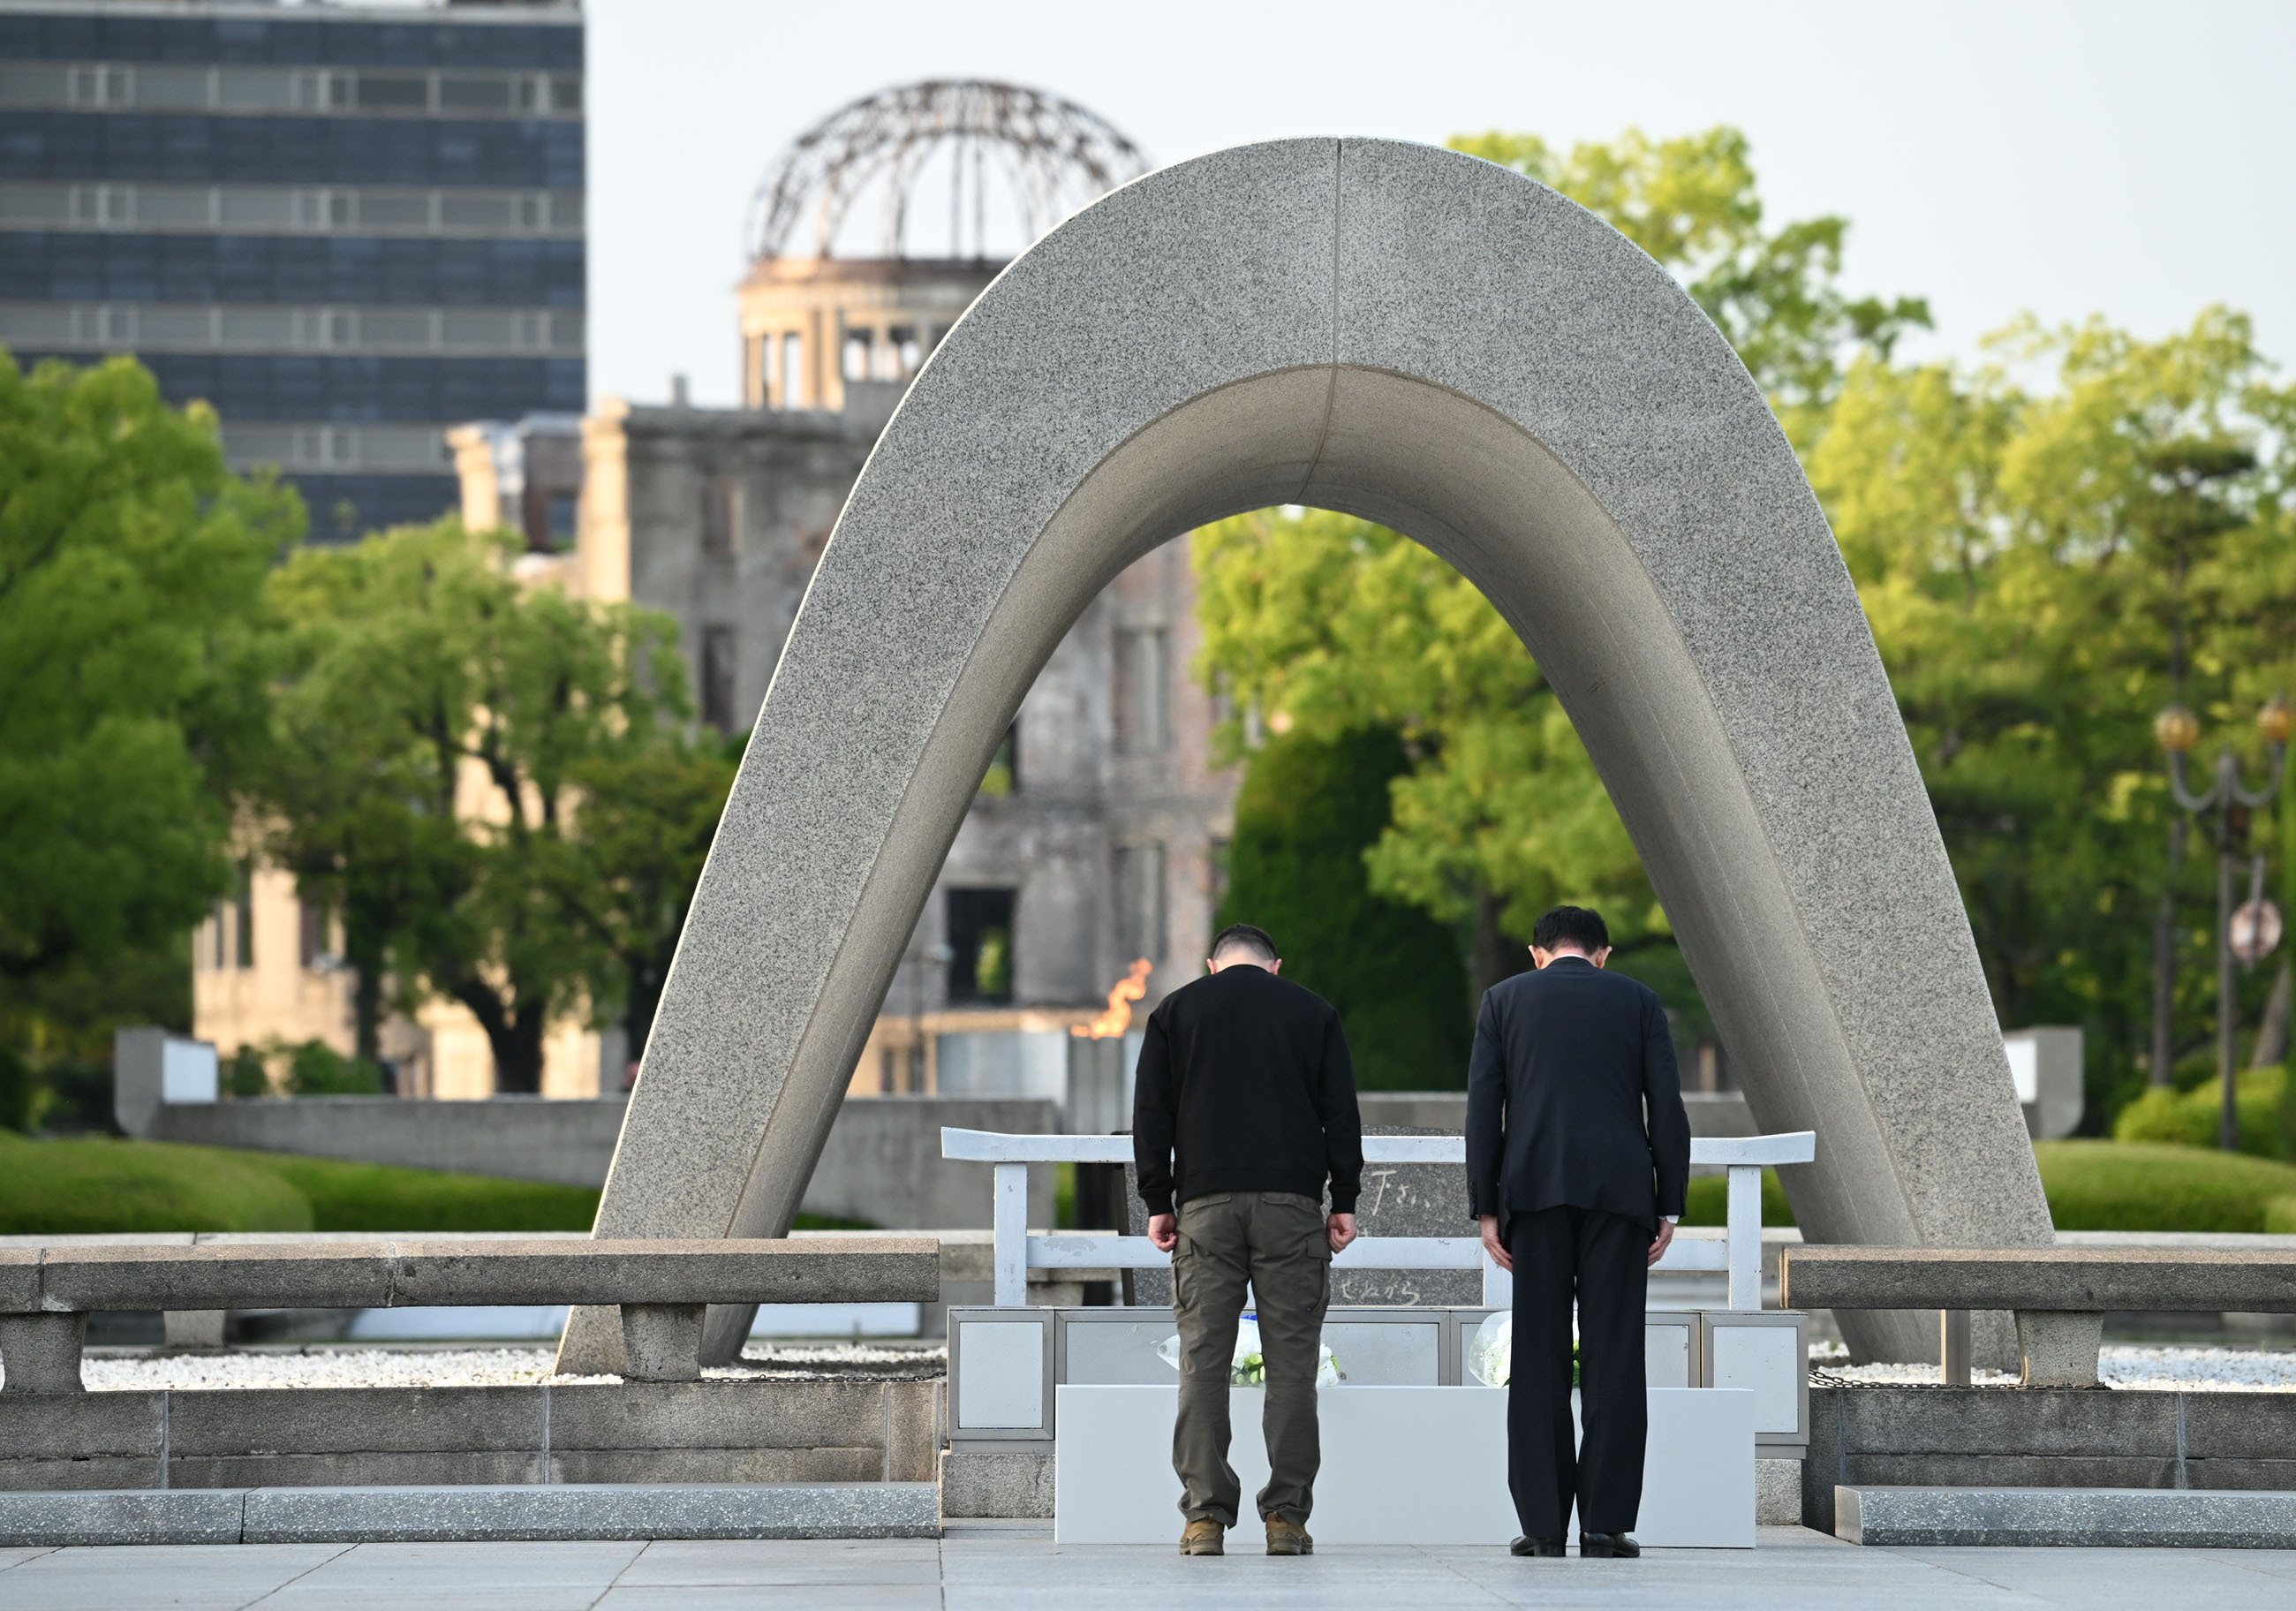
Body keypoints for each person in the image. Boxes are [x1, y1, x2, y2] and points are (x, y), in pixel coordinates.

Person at [1465, 904, 1691, 1560]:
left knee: (1537, 1358)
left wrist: (1487, 1207)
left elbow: (1485, 1110)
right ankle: (1606, 1523)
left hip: (1533, 1197)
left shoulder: (1503, 1001)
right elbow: (1666, 1108)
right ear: (1604, 952)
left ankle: (1541, 1525)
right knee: (1614, 1356)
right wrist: (1668, 1204)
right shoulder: (1639, 1001)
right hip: (1620, 1197)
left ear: (1538, 953)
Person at [1134, 922, 1363, 1559]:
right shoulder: (1312, 1012)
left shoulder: (1175, 1012)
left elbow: (1150, 1113)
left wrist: (1158, 1201)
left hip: (1204, 1205)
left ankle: (1204, 1518)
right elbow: (1341, 1113)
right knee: (1292, 1364)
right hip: (1291, 1207)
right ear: (1275, 965)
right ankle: (1286, 1517)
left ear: (1213, 966)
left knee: (1203, 1361)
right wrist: (1342, 1200)